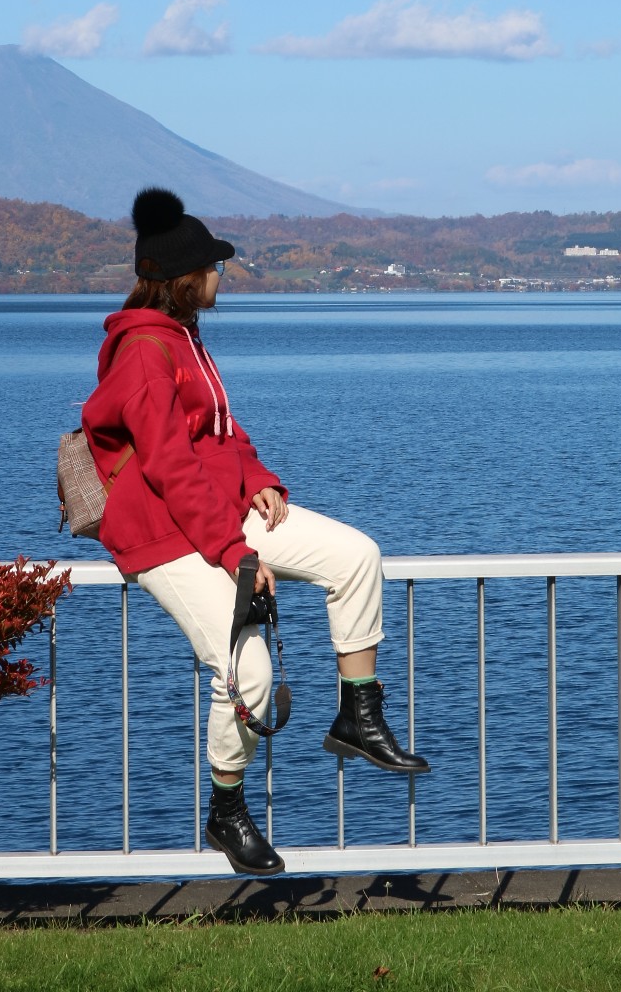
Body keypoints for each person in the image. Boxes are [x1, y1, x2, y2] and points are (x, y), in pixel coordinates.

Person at [82, 187, 428, 876]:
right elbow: (170, 465)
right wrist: (236, 553)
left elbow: (217, 433)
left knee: (356, 556)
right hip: (163, 533)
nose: (221, 276)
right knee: (249, 672)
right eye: (213, 266)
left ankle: (356, 715)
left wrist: (258, 478)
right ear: (186, 277)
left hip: (215, 515)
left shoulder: (183, 338)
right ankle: (226, 808)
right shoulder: (145, 354)